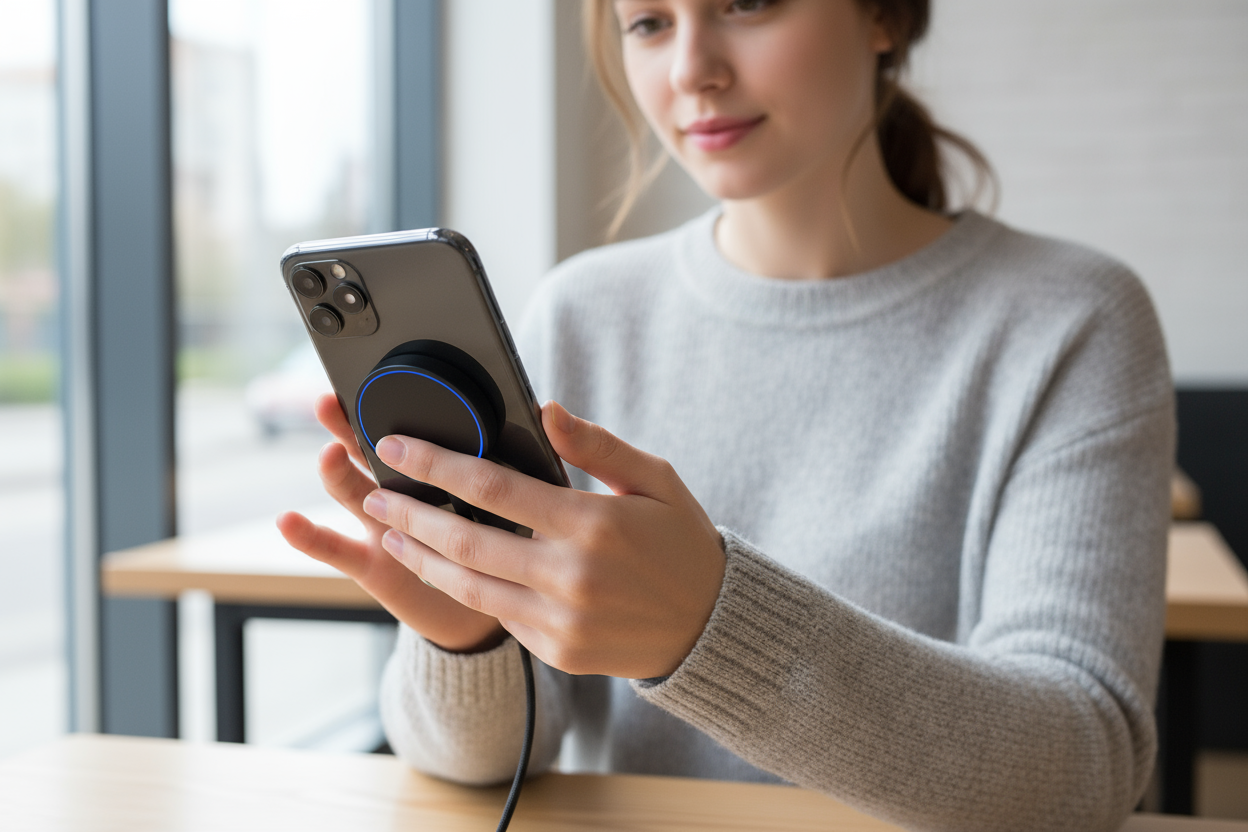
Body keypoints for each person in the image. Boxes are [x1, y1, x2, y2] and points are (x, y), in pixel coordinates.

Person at [277, 1, 1174, 829]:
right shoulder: (586, 313)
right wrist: (467, 634)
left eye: (746, 2)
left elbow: (1084, 768)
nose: (692, 70)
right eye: (650, 23)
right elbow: (489, 763)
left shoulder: (1073, 319)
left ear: (885, 16)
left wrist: (709, 625)